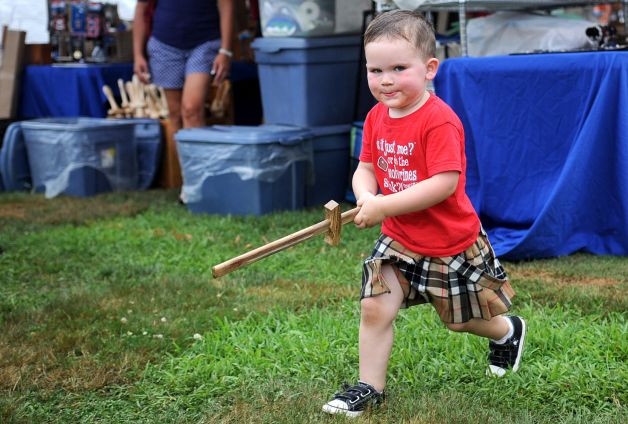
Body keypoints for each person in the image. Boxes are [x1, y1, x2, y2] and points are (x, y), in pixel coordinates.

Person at [322, 10, 526, 418]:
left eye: (399, 68)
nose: (386, 80)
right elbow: (366, 167)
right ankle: (369, 387)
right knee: (375, 304)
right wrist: (365, 196)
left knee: (459, 320)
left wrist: (382, 206)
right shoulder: (377, 116)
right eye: (376, 69)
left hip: (448, 241)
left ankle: (507, 332)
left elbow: (443, 185)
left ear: (429, 68)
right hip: (399, 237)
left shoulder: (439, 121)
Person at [132, 0, 234, 131]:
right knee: (174, 114)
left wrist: (225, 50)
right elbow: (141, 8)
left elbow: (226, 4)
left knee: (192, 109)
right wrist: (138, 55)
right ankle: (181, 152)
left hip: (205, 43)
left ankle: (193, 151)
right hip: (165, 45)